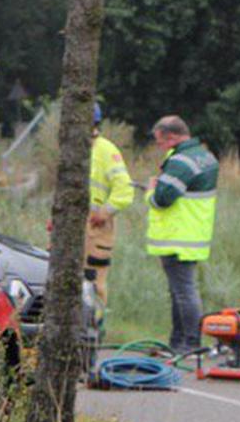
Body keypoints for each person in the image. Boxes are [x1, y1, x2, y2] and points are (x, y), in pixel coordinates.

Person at [144, 114, 218, 352]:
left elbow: (162, 198)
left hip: (177, 235)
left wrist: (149, 192)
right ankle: (178, 342)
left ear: (171, 137)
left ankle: (190, 344)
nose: (159, 146)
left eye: (160, 142)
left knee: (184, 292)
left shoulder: (181, 161)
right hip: (193, 234)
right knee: (180, 290)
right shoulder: (204, 156)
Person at [85, 104, 134, 310]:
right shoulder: (72, 149)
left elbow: (124, 189)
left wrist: (104, 213)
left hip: (95, 228)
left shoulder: (106, 150)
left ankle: (94, 330)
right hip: (72, 226)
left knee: (94, 282)